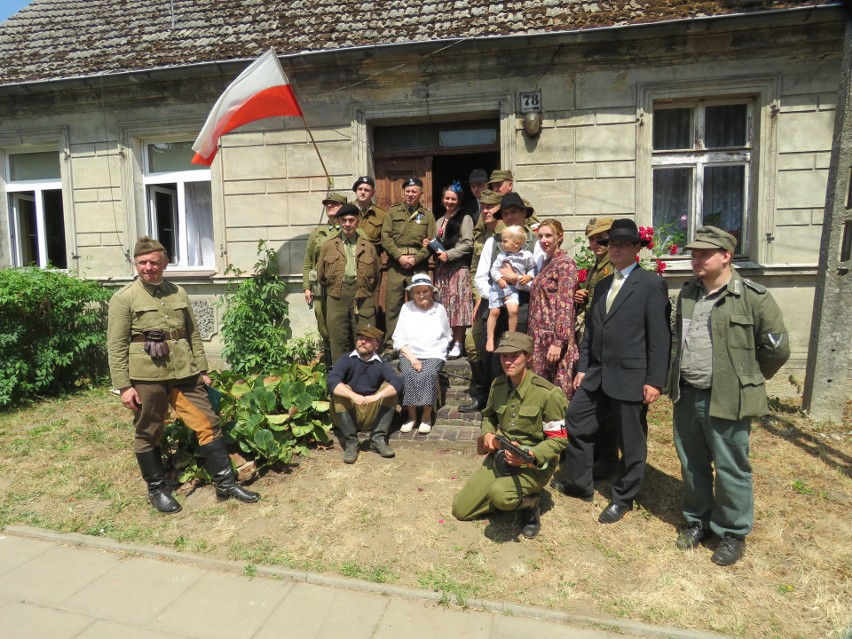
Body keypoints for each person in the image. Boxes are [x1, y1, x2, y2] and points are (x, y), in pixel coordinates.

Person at [107, 237, 259, 513]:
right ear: (136, 264)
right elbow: (115, 345)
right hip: (147, 376)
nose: (149, 267)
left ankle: (225, 484)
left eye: (154, 262)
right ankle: (157, 490)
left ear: (165, 262)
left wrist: (202, 369)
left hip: (184, 371)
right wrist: (123, 386)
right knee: (149, 430)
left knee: (208, 423)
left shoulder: (178, 292)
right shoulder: (124, 298)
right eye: (143, 262)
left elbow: (192, 333)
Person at [668, 226, 789, 566]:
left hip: (729, 398)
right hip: (688, 394)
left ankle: (732, 532)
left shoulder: (752, 296)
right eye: (694, 253)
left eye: (704, 254)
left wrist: (747, 379)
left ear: (726, 256)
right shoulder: (688, 294)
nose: (696, 259)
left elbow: (777, 350)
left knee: (732, 466)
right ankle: (698, 521)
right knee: (692, 464)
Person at [553, 219, 671, 525]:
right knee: (577, 422)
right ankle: (581, 484)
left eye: (622, 244)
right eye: (611, 244)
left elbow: (660, 337)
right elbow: (591, 331)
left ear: (636, 249)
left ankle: (623, 497)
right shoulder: (604, 283)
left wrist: (655, 380)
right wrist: (583, 367)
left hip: (631, 376)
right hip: (596, 374)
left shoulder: (651, 284)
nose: (615, 249)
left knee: (631, 441)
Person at [452, 331, 569, 539]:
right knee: (461, 510)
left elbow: (559, 440)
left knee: (500, 494)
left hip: (532, 464)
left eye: (515, 355)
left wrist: (530, 454)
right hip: (500, 458)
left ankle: (530, 504)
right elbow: (489, 417)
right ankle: (503, 495)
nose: (508, 361)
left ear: (529, 357)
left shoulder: (548, 394)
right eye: (504, 356)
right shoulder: (497, 386)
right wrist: (488, 434)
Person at [574, 217, 620, 480]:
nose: (595, 244)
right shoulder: (597, 267)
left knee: (609, 406)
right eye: (592, 239)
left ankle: (609, 457)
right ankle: (603, 455)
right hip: (593, 336)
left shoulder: (611, 267)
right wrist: (583, 296)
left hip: (607, 343)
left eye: (601, 239)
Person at [327, 324, 404, 463]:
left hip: (370, 413)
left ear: (376, 345)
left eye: (368, 339)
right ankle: (351, 442)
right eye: (360, 338)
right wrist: (353, 396)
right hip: (348, 415)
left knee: (389, 389)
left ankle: (377, 439)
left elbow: (398, 382)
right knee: (341, 389)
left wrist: (376, 396)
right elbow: (332, 381)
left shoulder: (380, 364)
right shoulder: (346, 360)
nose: (362, 341)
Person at [317, 204, 380, 365]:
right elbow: (321, 276)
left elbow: (375, 276)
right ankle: (341, 383)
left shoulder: (368, 247)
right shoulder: (329, 246)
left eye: (351, 220)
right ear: (338, 221)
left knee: (365, 338)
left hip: (363, 296)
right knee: (338, 339)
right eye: (343, 220)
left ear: (357, 221)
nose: (347, 224)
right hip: (337, 295)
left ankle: (366, 378)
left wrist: (364, 288)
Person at [460, 189, 505, 413]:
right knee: (472, 344)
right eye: (483, 206)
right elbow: (475, 269)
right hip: (484, 297)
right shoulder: (482, 234)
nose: (485, 210)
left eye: (491, 207)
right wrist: (478, 295)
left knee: (497, 351)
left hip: (505, 300)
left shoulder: (508, 233)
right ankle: (482, 393)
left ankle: (495, 398)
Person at [381, 177, 436, 355]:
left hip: (418, 265)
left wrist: (415, 258)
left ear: (421, 193)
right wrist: (399, 257)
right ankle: (391, 346)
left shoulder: (427, 215)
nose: (410, 194)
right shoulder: (393, 212)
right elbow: (386, 238)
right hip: (396, 265)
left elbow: (432, 242)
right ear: (403, 192)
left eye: (414, 191)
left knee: (420, 304)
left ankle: (418, 344)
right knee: (393, 307)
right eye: (407, 191)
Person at [392, 273, 452, 434]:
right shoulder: (406, 308)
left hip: (434, 353)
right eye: (417, 292)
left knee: (428, 373)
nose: (421, 295)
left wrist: (439, 352)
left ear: (431, 292)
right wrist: (412, 358)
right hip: (409, 353)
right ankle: (411, 416)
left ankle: (426, 416)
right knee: (408, 372)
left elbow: (447, 335)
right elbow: (398, 337)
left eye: (425, 291)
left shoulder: (439, 308)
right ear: (412, 294)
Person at [528, 219, 580, 400]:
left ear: (560, 237)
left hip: (553, 338)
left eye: (548, 235)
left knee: (556, 393)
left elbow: (565, 305)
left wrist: (559, 341)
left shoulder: (565, 264)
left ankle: (561, 429)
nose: (543, 240)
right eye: (540, 236)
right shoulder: (545, 263)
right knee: (540, 392)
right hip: (538, 337)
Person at [426, 182, 474, 359]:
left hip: (457, 268)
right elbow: (440, 244)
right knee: (445, 306)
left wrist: (450, 254)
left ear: (459, 200)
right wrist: (430, 244)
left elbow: (468, 243)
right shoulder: (439, 220)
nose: (450, 201)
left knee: (459, 307)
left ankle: (459, 342)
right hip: (442, 270)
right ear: (442, 199)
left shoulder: (464, 217)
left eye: (453, 198)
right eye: (447, 198)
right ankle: (447, 339)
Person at [302, 192, 346, 367]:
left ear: (343, 207)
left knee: (341, 326)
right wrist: (307, 287)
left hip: (343, 287)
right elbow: (308, 261)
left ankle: (344, 364)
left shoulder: (350, 229)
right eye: (327, 204)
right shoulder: (317, 232)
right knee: (323, 325)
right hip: (320, 287)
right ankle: (330, 366)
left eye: (334, 203)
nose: (330, 206)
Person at [486, 225, 535, 352]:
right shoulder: (502, 256)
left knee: (513, 310)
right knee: (494, 312)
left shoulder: (527, 255)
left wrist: (528, 276)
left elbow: (532, 269)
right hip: (498, 287)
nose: (502, 244)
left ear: (517, 243)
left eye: (505, 241)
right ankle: (490, 338)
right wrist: (499, 279)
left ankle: (511, 336)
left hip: (513, 288)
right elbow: (494, 269)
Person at [351, 176, 385, 252]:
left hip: (372, 258)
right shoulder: (347, 210)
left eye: (366, 190)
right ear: (356, 191)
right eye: (360, 189)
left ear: (373, 193)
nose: (363, 192)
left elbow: (386, 240)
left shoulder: (381, 214)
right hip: (350, 257)